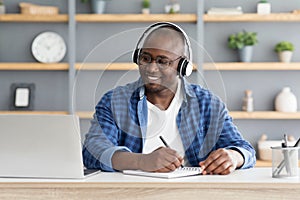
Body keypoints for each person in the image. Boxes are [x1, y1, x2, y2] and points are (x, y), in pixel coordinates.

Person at [82, 22, 256, 175]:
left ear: (183, 66)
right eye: (145, 58)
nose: (151, 68)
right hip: (132, 193)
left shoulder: (207, 103)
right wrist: (142, 161)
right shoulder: (114, 101)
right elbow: (93, 152)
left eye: (162, 61)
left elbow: (245, 149)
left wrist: (234, 156)